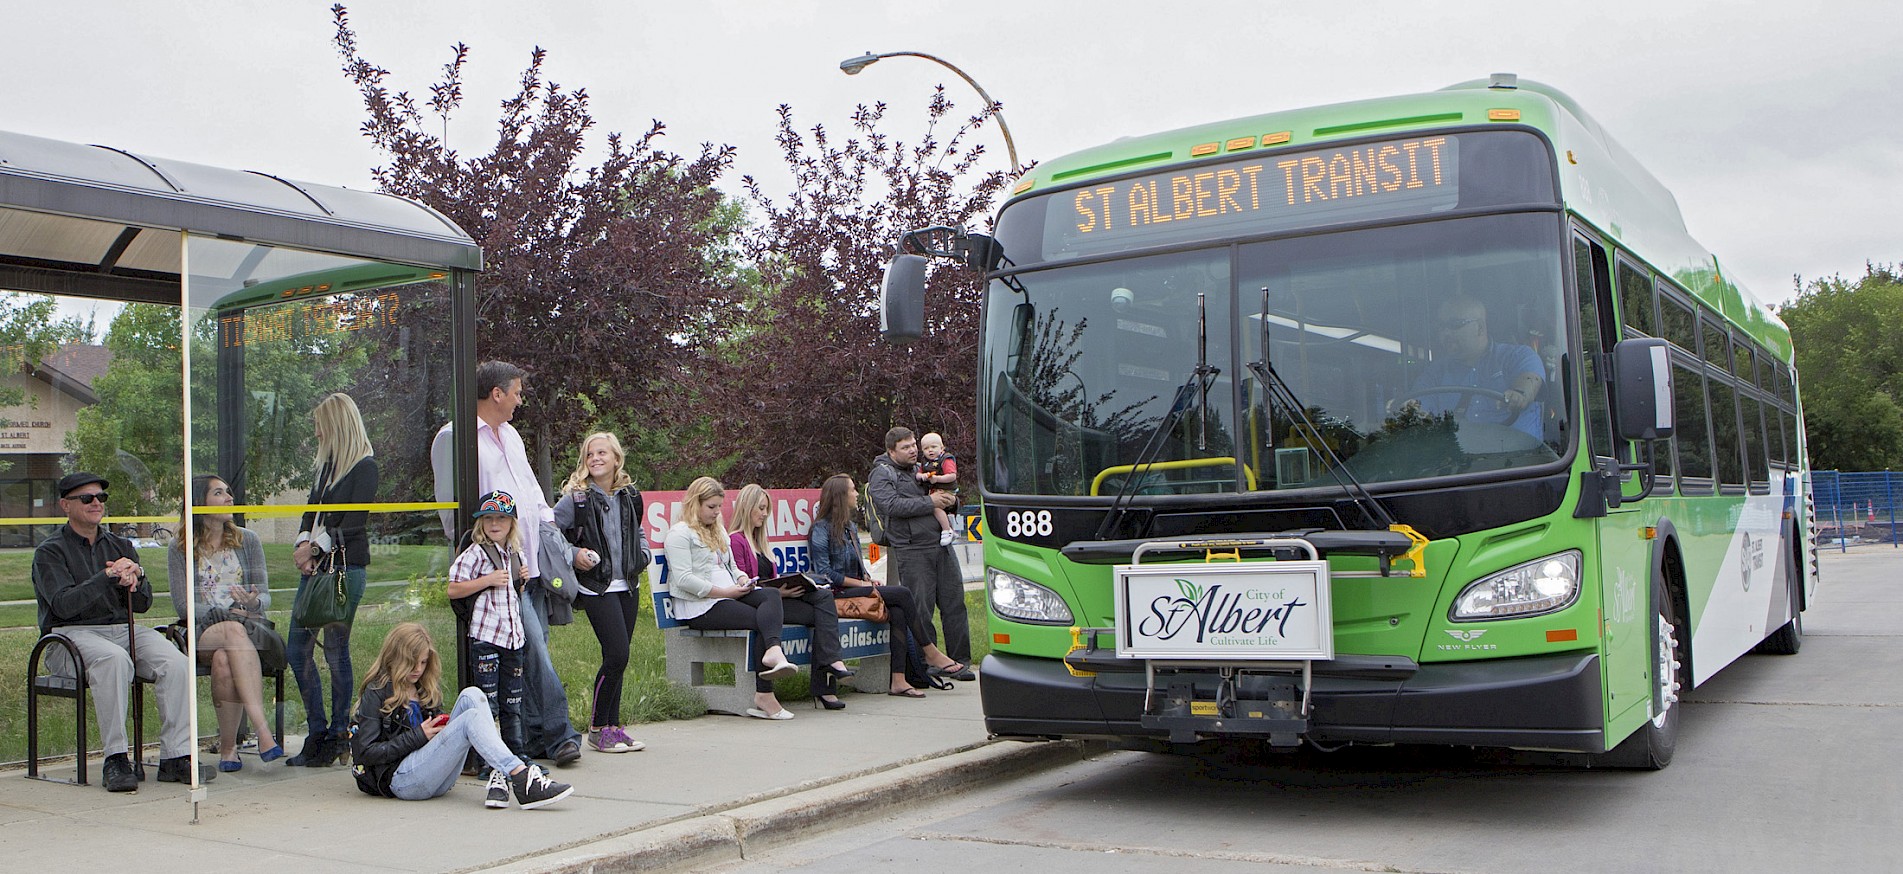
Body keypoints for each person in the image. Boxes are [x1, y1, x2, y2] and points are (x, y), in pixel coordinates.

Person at [429, 360, 585, 766]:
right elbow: (452, 512)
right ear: (496, 393)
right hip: (495, 568)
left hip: (528, 561)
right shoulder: (455, 438)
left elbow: (531, 488)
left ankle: (534, 738)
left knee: (529, 650)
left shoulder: (511, 434)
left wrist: (548, 530)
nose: (520, 399)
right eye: (516, 391)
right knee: (535, 649)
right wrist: (482, 556)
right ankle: (560, 733)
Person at [33, 472, 205, 791]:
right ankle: (115, 758)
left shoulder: (120, 544)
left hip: (122, 629)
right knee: (113, 660)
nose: (96, 503)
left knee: (177, 661)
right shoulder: (50, 551)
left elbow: (142, 605)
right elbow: (63, 605)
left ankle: (175, 757)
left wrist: (136, 576)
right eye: (87, 498)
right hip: (69, 636)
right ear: (65, 505)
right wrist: (106, 577)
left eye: (101, 498)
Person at [350, 622, 573, 810]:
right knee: (468, 719)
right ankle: (521, 778)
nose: (418, 669)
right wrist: (419, 736)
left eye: (424, 662)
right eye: (412, 662)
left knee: (472, 695)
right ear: (396, 658)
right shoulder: (377, 692)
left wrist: (440, 728)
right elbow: (367, 752)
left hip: (434, 774)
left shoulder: (422, 687)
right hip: (401, 780)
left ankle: (499, 773)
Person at [808, 474, 968, 697]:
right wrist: (861, 583)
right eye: (853, 490)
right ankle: (929, 650)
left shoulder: (850, 527)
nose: (857, 494)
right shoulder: (821, 529)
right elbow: (825, 573)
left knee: (898, 611)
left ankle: (898, 680)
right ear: (840, 497)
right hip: (836, 594)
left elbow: (857, 566)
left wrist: (867, 579)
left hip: (857, 588)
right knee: (902, 593)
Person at [167, 474, 284, 771]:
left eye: (229, 492)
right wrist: (215, 613)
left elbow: (265, 597)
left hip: (244, 630)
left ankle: (229, 750)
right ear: (200, 502)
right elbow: (183, 605)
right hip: (202, 630)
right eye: (219, 493)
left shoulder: (248, 541)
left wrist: (252, 601)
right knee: (230, 631)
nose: (229, 498)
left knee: (223, 661)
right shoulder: (180, 547)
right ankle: (263, 731)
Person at [287, 392, 379, 767]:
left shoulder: (365, 467)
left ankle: (339, 731)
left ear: (335, 425)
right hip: (318, 569)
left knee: (336, 651)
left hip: (345, 570)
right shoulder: (326, 468)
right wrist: (302, 543)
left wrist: (316, 548)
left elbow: (355, 524)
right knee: (297, 648)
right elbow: (312, 511)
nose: (316, 433)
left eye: (319, 425)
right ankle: (317, 728)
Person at [664, 476, 801, 720]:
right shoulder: (680, 534)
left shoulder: (717, 531)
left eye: (719, 507)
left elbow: (732, 566)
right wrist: (725, 592)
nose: (717, 513)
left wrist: (740, 580)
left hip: (729, 595)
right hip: (700, 606)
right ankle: (764, 695)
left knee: (770, 595)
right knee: (761, 620)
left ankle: (773, 650)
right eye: (711, 507)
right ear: (695, 504)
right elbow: (684, 579)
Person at [552, 432, 649, 753]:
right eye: (590, 454)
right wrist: (573, 554)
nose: (595, 458)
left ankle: (613, 726)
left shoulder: (630, 496)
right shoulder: (576, 499)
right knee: (617, 654)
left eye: (602, 453)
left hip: (629, 586)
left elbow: (638, 531)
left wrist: (643, 554)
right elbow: (549, 532)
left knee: (618, 659)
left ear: (616, 459)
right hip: (597, 587)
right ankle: (596, 728)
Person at [728, 483, 850, 710]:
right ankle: (825, 686)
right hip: (760, 604)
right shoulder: (736, 540)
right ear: (747, 507)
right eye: (761, 508)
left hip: (777, 599)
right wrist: (778, 591)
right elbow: (742, 582)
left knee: (823, 600)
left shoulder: (761, 541)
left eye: (767, 510)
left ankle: (832, 665)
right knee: (821, 613)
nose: (765, 515)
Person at [868, 427, 975, 681]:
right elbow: (891, 505)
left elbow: (947, 491)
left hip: (940, 543)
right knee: (921, 609)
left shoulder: (922, 468)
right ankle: (928, 663)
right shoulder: (881, 474)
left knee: (954, 604)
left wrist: (953, 503)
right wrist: (931, 503)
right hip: (912, 548)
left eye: (914, 444)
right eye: (906, 447)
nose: (913, 450)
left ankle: (960, 661)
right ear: (891, 451)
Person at [447, 490, 532, 783]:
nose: (495, 524)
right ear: (481, 523)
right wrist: (487, 580)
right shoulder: (475, 553)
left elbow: (513, 593)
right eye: (488, 518)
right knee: (488, 703)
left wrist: (521, 581)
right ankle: (488, 761)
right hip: (486, 636)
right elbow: (453, 588)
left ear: (511, 523)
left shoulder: (513, 554)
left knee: (513, 701)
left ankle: (516, 755)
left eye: (501, 518)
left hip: (512, 637)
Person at [1411, 296, 1545, 440]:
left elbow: (1530, 381)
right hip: (1455, 459)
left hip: (1523, 459)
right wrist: (1408, 409)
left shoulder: (1518, 356)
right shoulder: (1435, 373)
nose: (1446, 333)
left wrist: (1518, 394)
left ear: (1480, 328)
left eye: (1455, 325)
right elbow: (1417, 406)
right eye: (1441, 327)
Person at [916, 432, 961, 547]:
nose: (930, 450)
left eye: (933, 447)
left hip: (947, 491)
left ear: (942, 448)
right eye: (926, 448)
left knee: (935, 506)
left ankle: (947, 531)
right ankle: (950, 529)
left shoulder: (946, 460)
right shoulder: (925, 461)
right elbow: (918, 474)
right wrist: (922, 476)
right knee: (932, 505)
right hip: (935, 491)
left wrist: (937, 479)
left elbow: (952, 476)